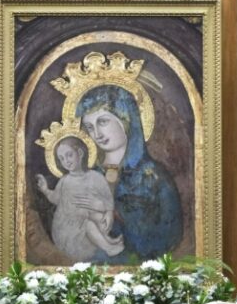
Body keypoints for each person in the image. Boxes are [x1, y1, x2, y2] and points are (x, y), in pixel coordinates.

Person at [75, 85, 183, 264]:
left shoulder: (154, 177)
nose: (97, 134)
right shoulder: (89, 176)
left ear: (126, 119)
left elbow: (170, 234)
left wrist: (117, 214)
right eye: (89, 127)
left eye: (103, 122)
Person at [36, 137, 124, 261]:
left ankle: (108, 240)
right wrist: (45, 190)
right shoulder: (65, 181)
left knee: (98, 217)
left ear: (80, 153)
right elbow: (56, 199)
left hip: (89, 221)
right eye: (62, 159)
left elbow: (108, 200)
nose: (66, 161)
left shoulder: (96, 177)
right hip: (68, 230)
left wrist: (108, 212)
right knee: (87, 223)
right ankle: (108, 247)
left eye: (69, 155)